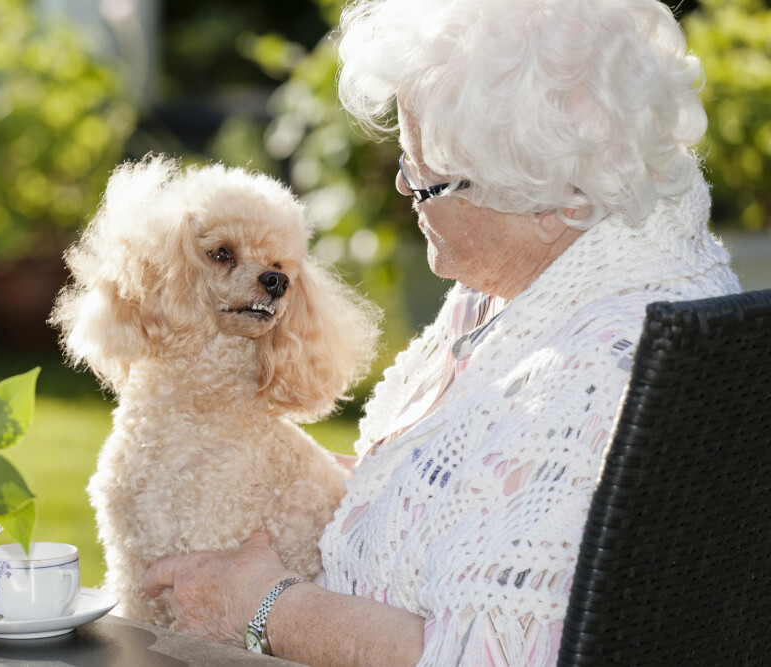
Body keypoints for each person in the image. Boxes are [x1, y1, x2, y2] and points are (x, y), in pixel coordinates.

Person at [141, 0, 742, 664]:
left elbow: (482, 654)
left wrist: (264, 606)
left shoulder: (595, 371)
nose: (402, 185)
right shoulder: (527, 283)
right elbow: (465, 496)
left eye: (428, 181)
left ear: (548, 197)